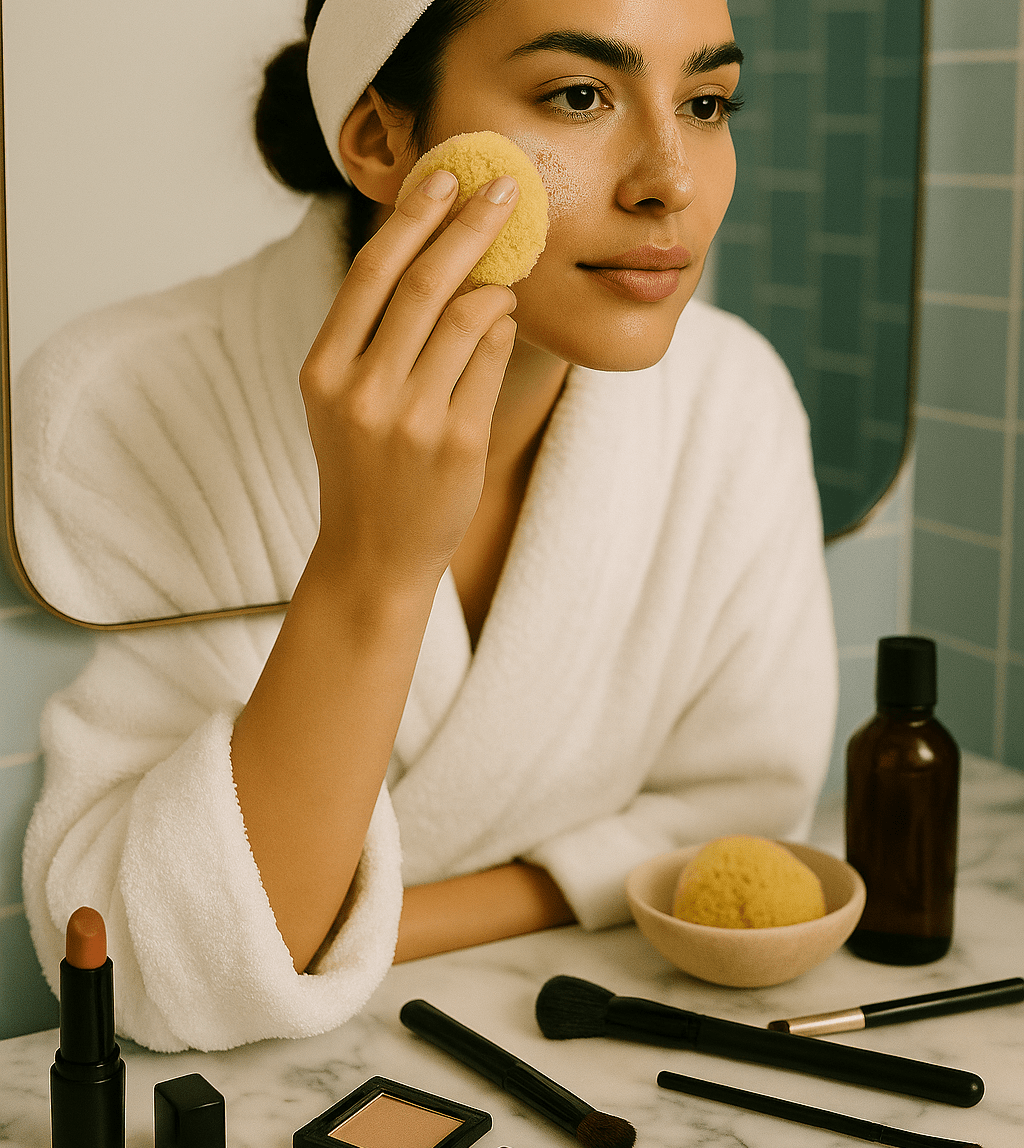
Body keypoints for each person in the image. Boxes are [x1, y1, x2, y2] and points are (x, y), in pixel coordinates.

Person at [21, 0, 837, 1052]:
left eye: (706, 101)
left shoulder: (731, 401)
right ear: (380, 138)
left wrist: (366, 923)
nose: (670, 180)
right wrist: (375, 566)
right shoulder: (122, 403)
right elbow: (139, 969)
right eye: (580, 95)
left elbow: (738, 827)